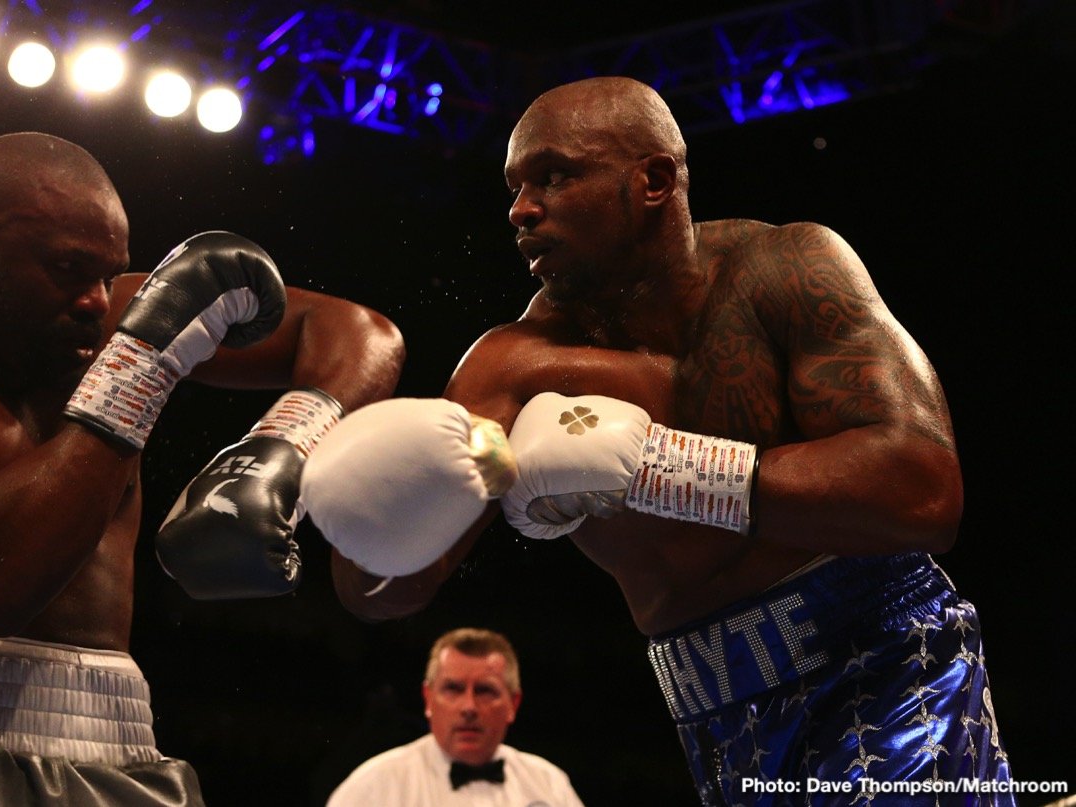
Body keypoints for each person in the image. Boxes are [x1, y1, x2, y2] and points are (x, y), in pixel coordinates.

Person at [301, 76, 1016, 805]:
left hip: (888, 664)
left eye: (553, 175)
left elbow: (925, 489)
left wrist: (663, 469)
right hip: (716, 713)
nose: (521, 209)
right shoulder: (513, 369)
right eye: (514, 187)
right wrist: (367, 507)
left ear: (653, 181)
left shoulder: (789, 272)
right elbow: (385, 591)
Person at [0, 131, 404, 806]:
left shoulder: (111, 323)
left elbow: (361, 333)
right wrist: (141, 368)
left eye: (108, 273)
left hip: (118, 748)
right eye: (68, 268)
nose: (99, 301)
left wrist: (280, 447)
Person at [326, 627, 585, 807]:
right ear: (428, 698)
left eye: (485, 691)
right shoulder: (375, 786)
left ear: (513, 704)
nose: (469, 707)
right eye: (453, 689)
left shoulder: (549, 784)